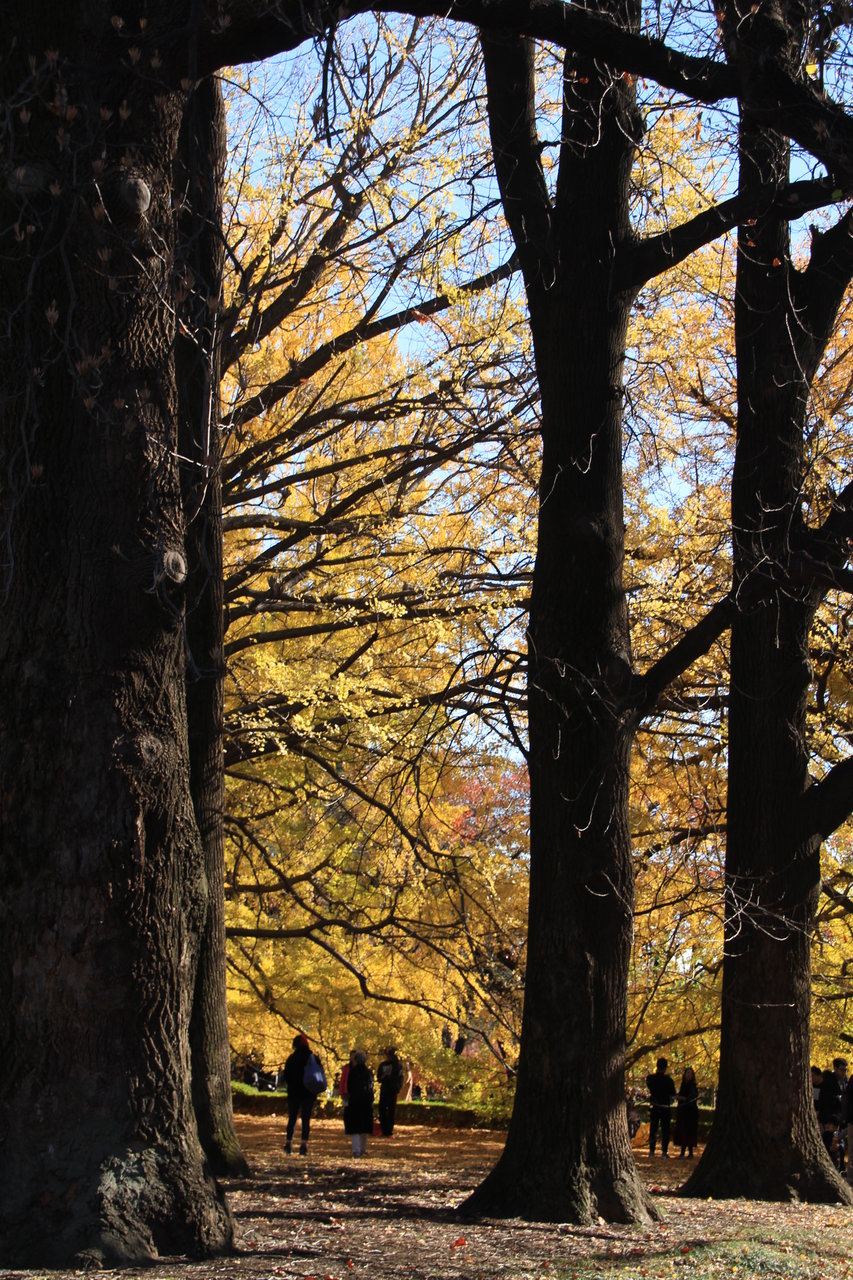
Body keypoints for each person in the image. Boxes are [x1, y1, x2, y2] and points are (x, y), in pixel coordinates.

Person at [283, 1033, 323, 1156]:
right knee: (306, 1119)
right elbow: (319, 1073)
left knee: (292, 1118)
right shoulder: (313, 1058)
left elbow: (286, 1076)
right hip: (308, 1092)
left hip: (294, 1092)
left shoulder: (292, 1059)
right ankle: (304, 1144)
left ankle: (289, 1142)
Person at [344, 1050, 374, 1156]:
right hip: (366, 1102)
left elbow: (349, 1087)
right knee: (364, 1127)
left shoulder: (353, 1072)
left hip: (355, 1102)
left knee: (355, 1126)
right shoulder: (369, 1072)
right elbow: (371, 1088)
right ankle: (363, 1149)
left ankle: (356, 1150)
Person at [646, 1056, 676, 1158]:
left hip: (655, 1106)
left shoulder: (650, 1079)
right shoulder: (669, 1080)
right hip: (665, 1107)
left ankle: (651, 1151)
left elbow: (649, 1087)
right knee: (665, 1130)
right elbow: (673, 1093)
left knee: (653, 1129)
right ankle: (664, 1152)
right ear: (665, 1067)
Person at [377, 1045, 404, 1136]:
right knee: (382, 1109)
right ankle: (384, 1129)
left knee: (391, 1110)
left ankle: (389, 1130)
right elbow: (379, 1078)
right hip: (384, 1089)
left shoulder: (397, 1066)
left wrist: (397, 1087)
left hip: (392, 1090)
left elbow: (399, 1078)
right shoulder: (382, 1065)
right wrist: (383, 1077)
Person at [673, 1066, 699, 1158]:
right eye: (687, 1073)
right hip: (683, 1111)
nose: (689, 1075)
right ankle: (682, 1152)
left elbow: (692, 1098)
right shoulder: (683, 1085)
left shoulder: (692, 1086)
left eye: (690, 1073)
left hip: (691, 1112)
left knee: (690, 1131)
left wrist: (683, 1098)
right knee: (683, 1131)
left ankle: (690, 1152)